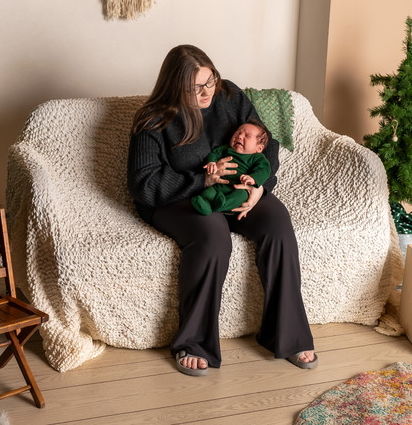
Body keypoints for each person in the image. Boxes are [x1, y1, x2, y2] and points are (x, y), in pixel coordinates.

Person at [127, 44, 316, 376]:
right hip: (176, 200)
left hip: (234, 191)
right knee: (213, 234)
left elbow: (267, 142)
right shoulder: (154, 118)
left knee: (277, 220)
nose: (206, 92)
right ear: (175, 86)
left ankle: (287, 335)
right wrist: (203, 181)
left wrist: (260, 187)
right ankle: (194, 343)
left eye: (210, 81)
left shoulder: (229, 96)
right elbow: (144, 183)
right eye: (195, 87)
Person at [191, 119, 271, 216]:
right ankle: (205, 207)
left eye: (247, 136)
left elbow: (264, 170)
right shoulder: (226, 149)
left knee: (241, 196)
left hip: (239, 187)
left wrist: (254, 179)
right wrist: (211, 162)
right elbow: (214, 154)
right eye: (238, 132)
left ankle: (223, 205)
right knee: (208, 193)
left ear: (259, 148)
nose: (240, 136)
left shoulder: (257, 158)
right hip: (218, 185)